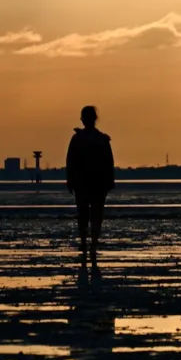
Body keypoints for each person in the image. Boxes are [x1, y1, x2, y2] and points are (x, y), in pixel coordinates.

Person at [66, 105, 115, 266]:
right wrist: (109, 183)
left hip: (84, 184)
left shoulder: (78, 139)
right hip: (97, 184)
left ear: (83, 119)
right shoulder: (102, 139)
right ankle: (92, 246)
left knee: (84, 216)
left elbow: (70, 162)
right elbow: (109, 163)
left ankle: (86, 246)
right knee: (95, 216)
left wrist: (70, 181)